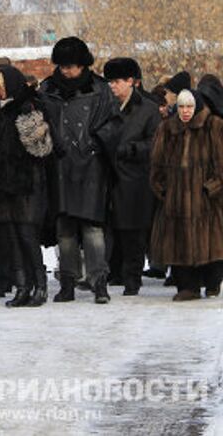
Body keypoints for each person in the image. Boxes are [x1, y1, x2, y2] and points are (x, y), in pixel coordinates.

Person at [37, 36, 115, 304]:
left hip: (91, 165)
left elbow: (112, 123)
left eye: (71, 66)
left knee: (93, 227)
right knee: (65, 228)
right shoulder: (48, 89)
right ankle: (68, 281)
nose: (66, 71)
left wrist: (94, 144)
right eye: (62, 65)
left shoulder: (100, 89)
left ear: (83, 65)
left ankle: (99, 280)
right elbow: (40, 121)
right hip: (59, 163)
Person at [0, 66, 55, 307]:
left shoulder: (29, 106)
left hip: (26, 182)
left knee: (27, 234)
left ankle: (40, 286)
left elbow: (40, 147)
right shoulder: (4, 110)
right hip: (6, 182)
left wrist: (9, 151)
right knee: (12, 236)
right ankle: (22, 286)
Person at [95, 58, 161, 295]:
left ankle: (132, 278)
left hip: (136, 180)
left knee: (134, 232)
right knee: (111, 232)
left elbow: (155, 144)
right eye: (110, 81)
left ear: (131, 82)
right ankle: (112, 274)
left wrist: (130, 149)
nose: (113, 86)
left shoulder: (148, 109)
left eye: (118, 81)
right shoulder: (105, 106)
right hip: (108, 179)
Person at [150, 89, 223, 300]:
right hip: (176, 201)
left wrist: (211, 188)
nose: (185, 111)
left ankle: (212, 282)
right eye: (181, 107)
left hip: (207, 201)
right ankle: (187, 287)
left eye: (189, 107)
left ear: (197, 107)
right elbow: (156, 165)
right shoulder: (167, 129)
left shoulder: (214, 126)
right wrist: (162, 189)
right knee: (177, 244)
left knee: (211, 245)